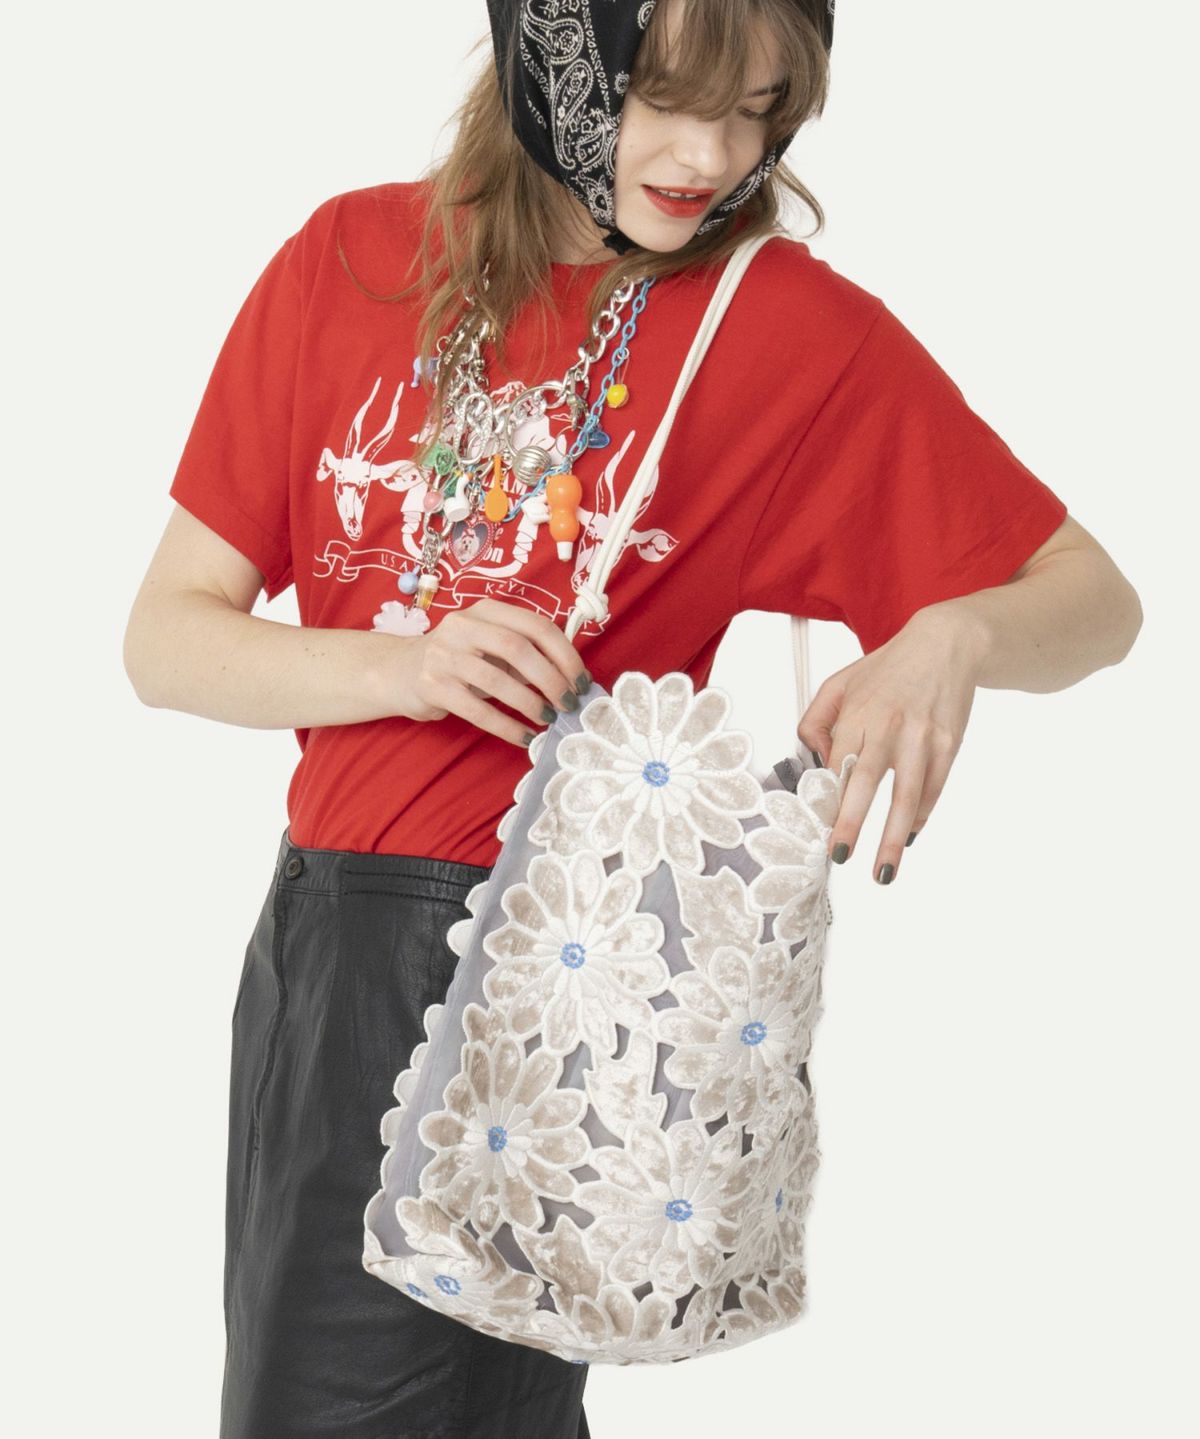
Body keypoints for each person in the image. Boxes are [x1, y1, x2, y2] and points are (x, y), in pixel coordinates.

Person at [123, 1, 1141, 1435]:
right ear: (559, 49)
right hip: (320, 944)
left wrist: (949, 636)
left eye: (758, 110)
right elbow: (167, 639)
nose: (710, 157)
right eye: (667, 96)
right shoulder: (351, 262)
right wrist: (404, 671)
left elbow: (1095, 598)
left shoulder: (781, 332)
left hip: (548, 963)